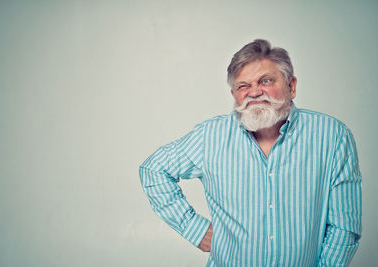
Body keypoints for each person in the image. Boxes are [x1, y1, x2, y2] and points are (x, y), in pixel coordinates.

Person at [139, 39, 362, 266]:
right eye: (243, 86)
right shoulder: (210, 136)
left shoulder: (332, 136)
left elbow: (344, 227)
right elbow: (154, 169)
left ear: (292, 86)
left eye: (266, 80)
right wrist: (194, 229)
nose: (254, 92)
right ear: (234, 93)